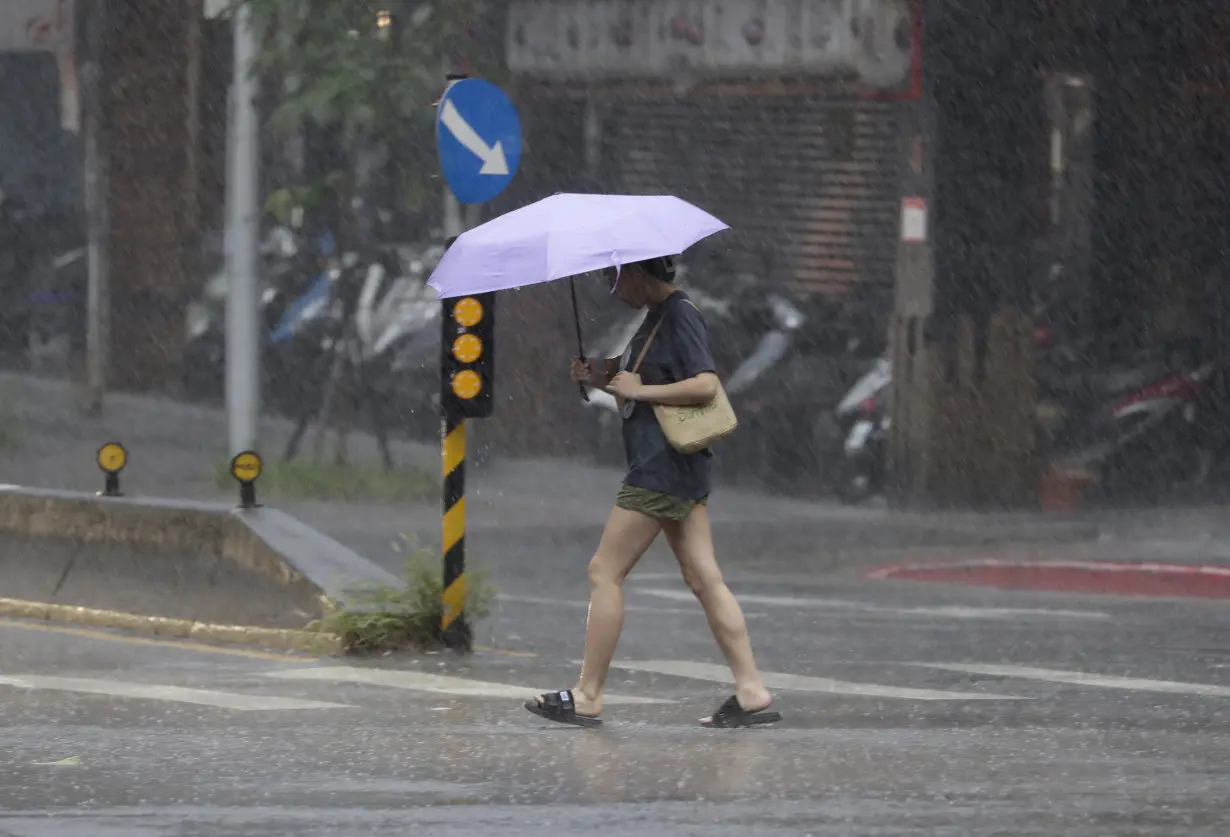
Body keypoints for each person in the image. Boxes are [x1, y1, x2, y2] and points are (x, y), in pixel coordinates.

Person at [524, 255, 781, 729]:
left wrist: (641, 393)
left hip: (660, 469)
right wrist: (596, 374)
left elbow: (704, 385)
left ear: (639, 273)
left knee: (605, 570)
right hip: (676, 470)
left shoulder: (681, 314)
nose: (611, 288)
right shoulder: (656, 320)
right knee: (704, 578)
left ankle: (588, 694)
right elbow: (633, 375)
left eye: (614, 277)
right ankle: (751, 690)